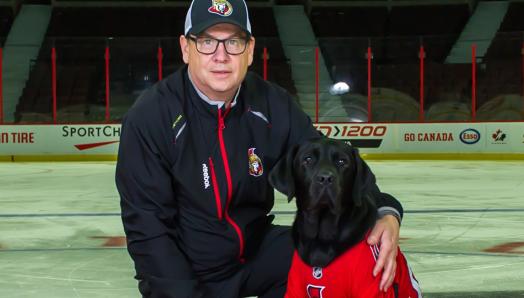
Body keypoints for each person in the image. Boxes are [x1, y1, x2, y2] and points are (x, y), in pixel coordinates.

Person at [115, 0, 404, 297]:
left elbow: (326, 162)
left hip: (256, 254)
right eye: (206, 42)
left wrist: (383, 210)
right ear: (186, 48)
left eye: (234, 42)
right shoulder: (150, 117)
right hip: (187, 268)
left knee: (353, 246)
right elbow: (148, 230)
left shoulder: (270, 102)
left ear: (250, 50)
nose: (221, 55)